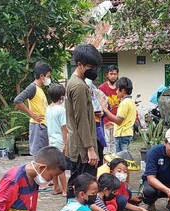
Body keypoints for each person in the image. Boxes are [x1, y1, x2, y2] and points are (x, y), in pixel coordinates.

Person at [65, 44, 103, 197]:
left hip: (78, 143)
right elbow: (81, 121)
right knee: (83, 187)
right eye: (89, 66)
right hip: (83, 148)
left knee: (76, 183)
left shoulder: (74, 82)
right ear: (79, 64)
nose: (92, 70)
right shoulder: (79, 87)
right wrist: (90, 149)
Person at [14, 62, 52, 155]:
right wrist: (32, 115)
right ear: (42, 76)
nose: (48, 79)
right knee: (38, 155)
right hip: (37, 126)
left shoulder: (40, 89)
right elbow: (18, 100)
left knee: (44, 155)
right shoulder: (32, 87)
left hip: (43, 126)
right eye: (48, 76)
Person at [101, 77, 135, 153]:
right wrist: (113, 124)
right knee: (124, 157)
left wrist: (106, 110)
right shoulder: (131, 102)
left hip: (122, 135)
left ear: (122, 90)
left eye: (117, 89)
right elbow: (125, 121)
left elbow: (119, 121)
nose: (116, 92)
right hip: (127, 133)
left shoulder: (124, 103)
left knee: (121, 159)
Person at [45, 84, 68, 197]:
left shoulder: (48, 108)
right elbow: (64, 127)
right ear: (61, 96)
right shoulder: (61, 110)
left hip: (51, 139)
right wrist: (65, 143)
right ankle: (65, 190)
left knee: (53, 165)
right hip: (59, 139)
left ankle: (56, 187)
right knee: (60, 167)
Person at [98, 65, 119, 155]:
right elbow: (99, 105)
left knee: (115, 145)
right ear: (107, 75)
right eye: (111, 74)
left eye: (115, 74)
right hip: (105, 121)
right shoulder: (101, 88)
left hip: (117, 121)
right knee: (106, 146)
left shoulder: (120, 88)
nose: (113, 76)